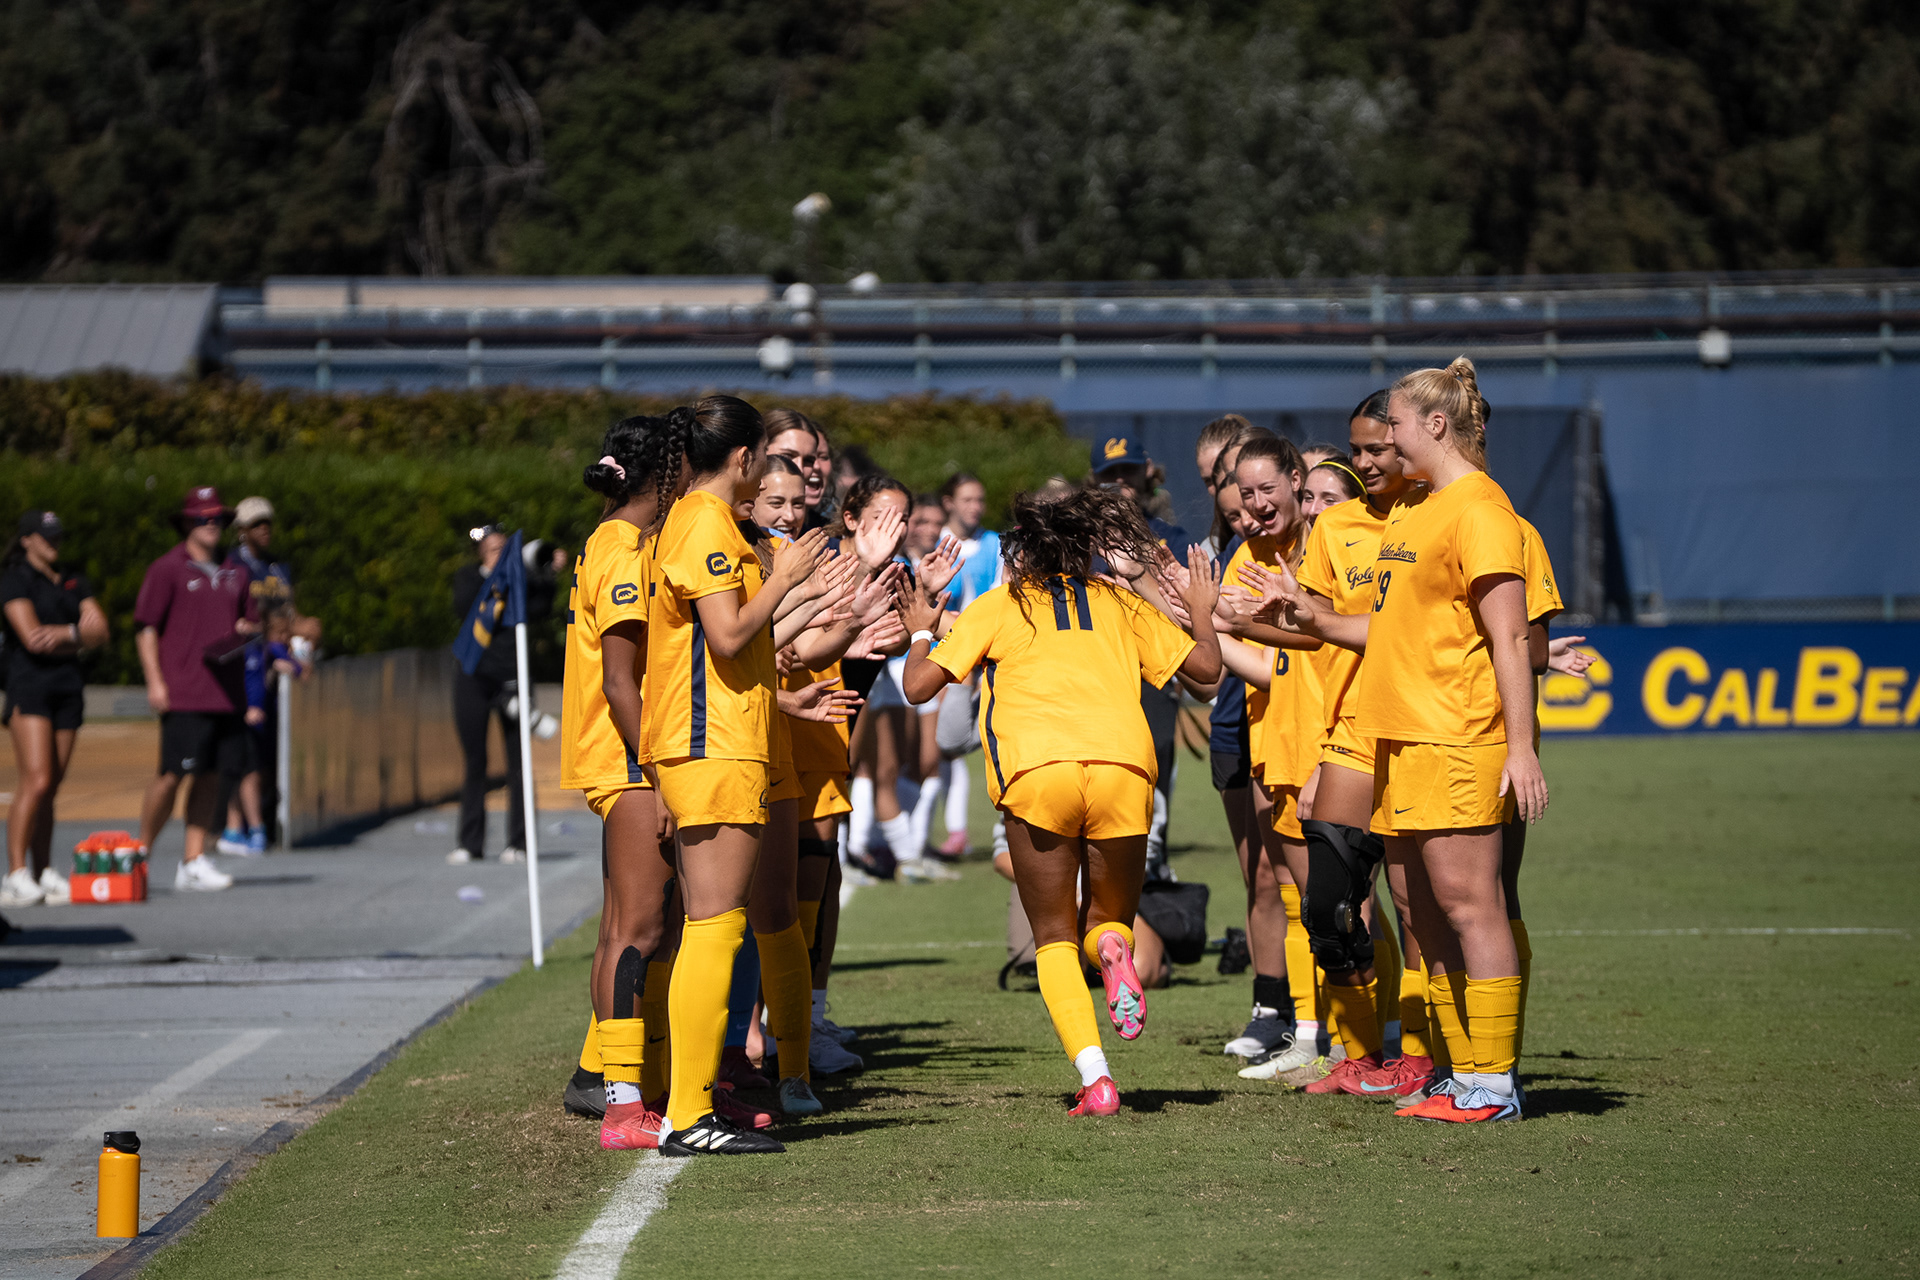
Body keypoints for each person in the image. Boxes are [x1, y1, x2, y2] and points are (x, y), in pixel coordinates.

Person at [1273, 357, 1544, 1124]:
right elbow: (1391, 629)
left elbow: (1510, 637)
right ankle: (1461, 1075)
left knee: (1470, 906)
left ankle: (1493, 1086)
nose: (1383, 440)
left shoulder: (1481, 511)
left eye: (1392, 425)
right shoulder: (1417, 512)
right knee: (1425, 914)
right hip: (1399, 739)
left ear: (1435, 424)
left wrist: (1521, 746)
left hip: (1454, 734)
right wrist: (1309, 616)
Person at [898, 487, 1222, 1116]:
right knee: (1109, 921)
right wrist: (1201, 611)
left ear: (1021, 556)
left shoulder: (998, 606)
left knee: (1052, 938)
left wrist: (919, 630)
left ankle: (1097, 1078)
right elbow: (1206, 674)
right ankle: (1113, 948)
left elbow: (917, 687)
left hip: (1039, 770)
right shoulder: (1120, 601)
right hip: (1124, 768)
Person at [639, 395, 829, 1156]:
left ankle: (690, 1105)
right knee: (714, 927)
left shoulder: (699, 520)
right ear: (744, 457)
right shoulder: (706, 522)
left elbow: (735, 641)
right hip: (712, 741)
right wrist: (787, 577)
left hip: (718, 738)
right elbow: (726, 635)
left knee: (711, 926)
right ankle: (688, 1113)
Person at [134, 487, 257, 892]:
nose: (212, 525)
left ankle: (193, 859)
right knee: (172, 775)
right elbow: (146, 628)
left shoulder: (237, 571)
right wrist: (155, 680)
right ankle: (140, 853)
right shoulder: (167, 569)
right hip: (184, 689)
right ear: (187, 523)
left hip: (227, 691)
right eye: (204, 518)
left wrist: (247, 629)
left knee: (213, 776)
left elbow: (251, 620)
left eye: (218, 518)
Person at [0, 512, 108, 907]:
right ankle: (15, 873)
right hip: (30, 686)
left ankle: (43, 869)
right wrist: (80, 634)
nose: (54, 543)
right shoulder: (15, 579)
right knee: (37, 779)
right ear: (26, 539)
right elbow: (32, 638)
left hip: (67, 686)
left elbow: (100, 631)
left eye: (57, 536)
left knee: (53, 785)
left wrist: (66, 633)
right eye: (46, 537)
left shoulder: (73, 579)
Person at [449, 525, 565, 864]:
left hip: (513, 675)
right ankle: (470, 843)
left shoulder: (520, 579)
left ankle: (520, 842)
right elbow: (464, 608)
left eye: (504, 549)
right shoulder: (469, 578)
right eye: (492, 550)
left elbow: (540, 609)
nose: (499, 555)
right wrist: (496, 575)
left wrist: (547, 574)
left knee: (519, 761)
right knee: (475, 761)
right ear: (480, 553)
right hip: (473, 675)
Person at [219, 496, 321, 855]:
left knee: (266, 754)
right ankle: (235, 826)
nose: (265, 529)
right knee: (243, 755)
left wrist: (301, 639)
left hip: (274, 668)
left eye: (268, 523)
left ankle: (261, 820)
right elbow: (233, 621)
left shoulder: (277, 568)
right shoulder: (230, 566)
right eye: (256, 524)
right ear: (241, 530)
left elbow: (289, 616)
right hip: (247, 669)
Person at [764, 409, 834, 531]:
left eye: (808, 461)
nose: (799, 469)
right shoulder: (731, 528)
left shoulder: (823, 537)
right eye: (787, 456)